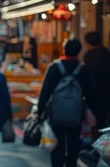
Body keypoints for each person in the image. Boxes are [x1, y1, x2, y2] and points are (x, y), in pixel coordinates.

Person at [37, 38, 97, 167]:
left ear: (64, 49)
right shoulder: (83, 69)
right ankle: (71, 163)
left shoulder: (54, 67)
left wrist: (39, 112)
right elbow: (91, 94)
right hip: (76, 114)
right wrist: (93, 112)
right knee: (74, 145)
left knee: (56, 145)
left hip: (56, 114)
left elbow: (45, 92)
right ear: (79, 51)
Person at [83, 31, 110, 129]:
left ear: (88, 43)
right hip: (107, 90)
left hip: (94, 91)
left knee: (97, 118)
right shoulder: (106, 52)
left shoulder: (88, 56)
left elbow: (87, 75)